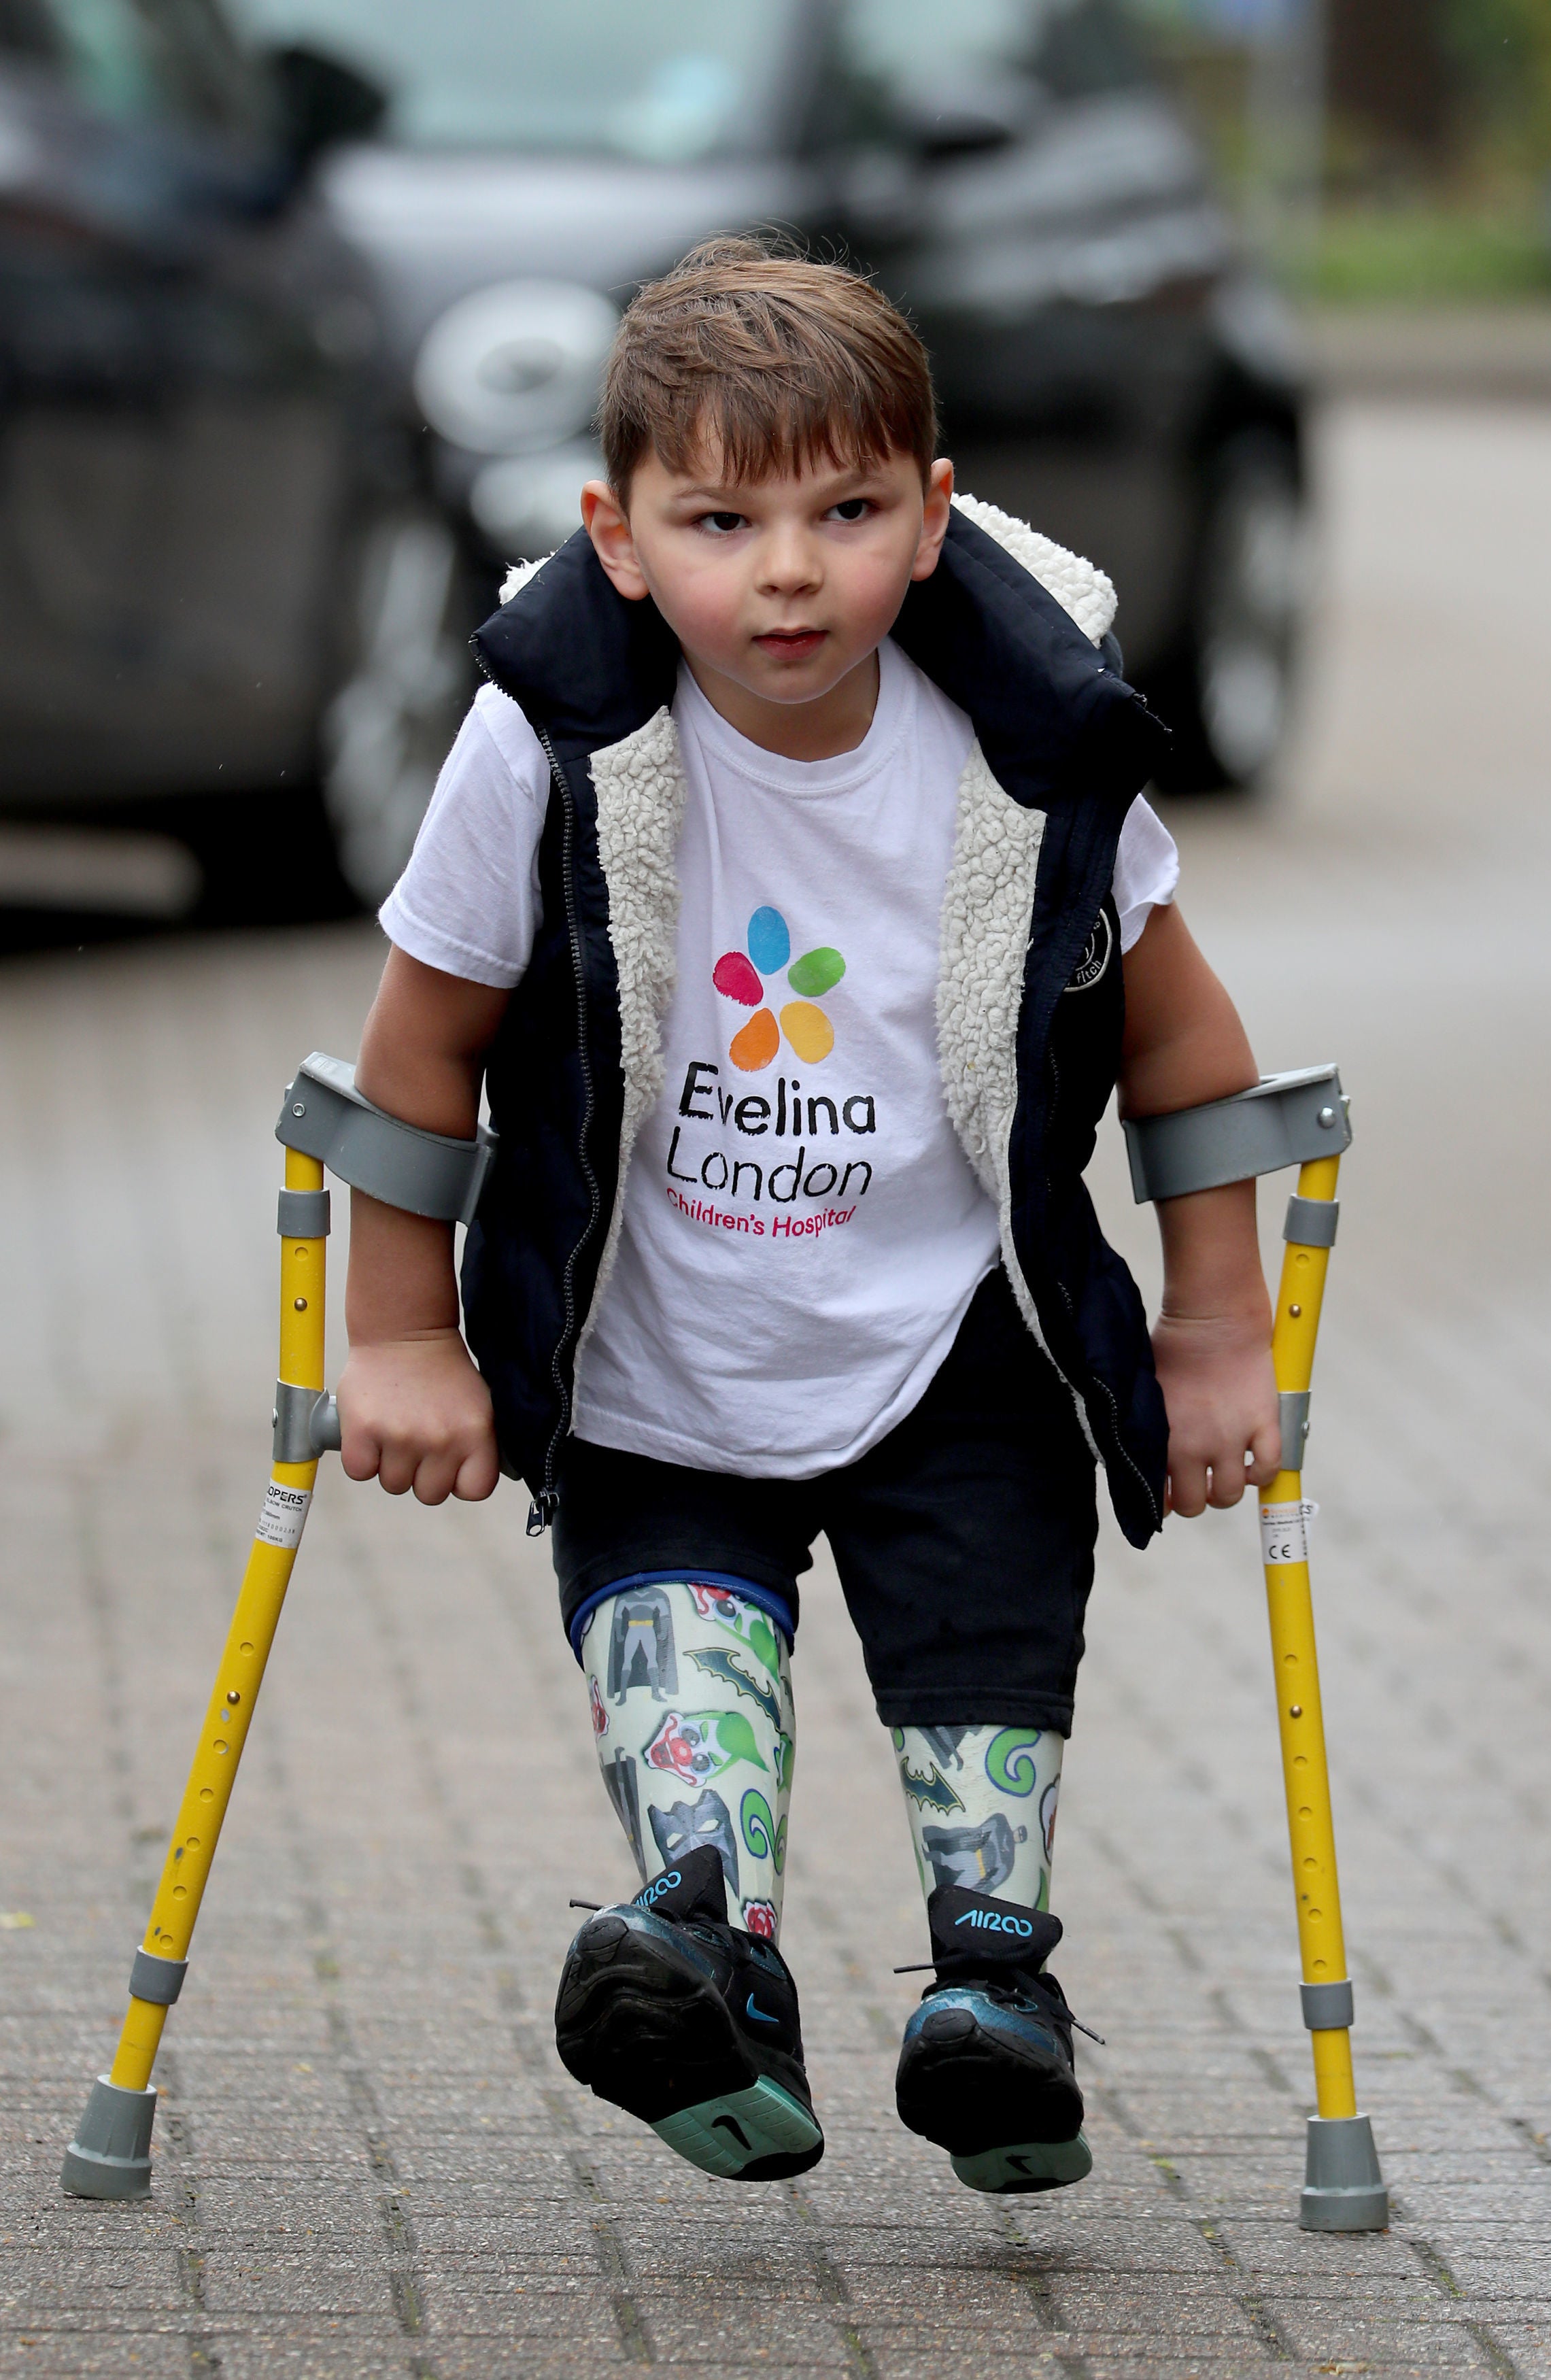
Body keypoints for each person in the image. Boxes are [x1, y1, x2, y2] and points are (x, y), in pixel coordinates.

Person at [339, 239, 1280, 2195]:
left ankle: (992, 1993)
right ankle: (706, 1960)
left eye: (847, 511)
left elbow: (1189, 1053)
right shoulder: (546, 747)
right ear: (616, 537)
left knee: (981, 1652)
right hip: (653, 1347)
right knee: (686, 1678)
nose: (787, 570)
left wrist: (1213, 1325)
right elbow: (418, 1056)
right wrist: (404, 1333)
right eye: (720, 518)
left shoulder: (1033, 759)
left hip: (959, 1329)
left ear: (933, 522)